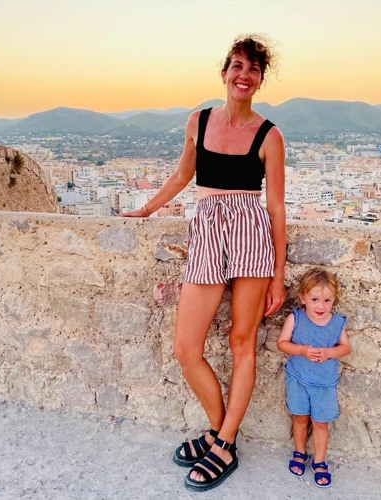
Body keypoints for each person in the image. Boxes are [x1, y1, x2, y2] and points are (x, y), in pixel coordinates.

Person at [120, 34, 286, 492]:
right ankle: (221, 434)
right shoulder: (200, 120)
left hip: (251, 231)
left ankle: (224, 442)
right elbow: (183, 174)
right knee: (186, 348)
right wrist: (146, 209)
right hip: (208, 228)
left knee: (241, 342)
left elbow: (276, 207)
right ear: (225, 72)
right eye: (237, 66)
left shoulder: (270, 136)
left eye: (253, 69)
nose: (244, 75)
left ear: (260, 79)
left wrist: (278, 276)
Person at [276, 268, 351, 488]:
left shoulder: (337, 323)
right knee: (300, 417)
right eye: (315, 299)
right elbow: (282, 343)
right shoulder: (296, 318)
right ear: (302, 298)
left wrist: (329, 353)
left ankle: (319, 461)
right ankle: (300, 452)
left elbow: (346, 347)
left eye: (327, 300)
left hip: (324, 384)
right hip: (298, 379)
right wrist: (302, 350)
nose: (321, 306)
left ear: (334, 299)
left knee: (320, 423)